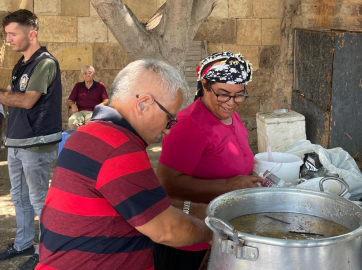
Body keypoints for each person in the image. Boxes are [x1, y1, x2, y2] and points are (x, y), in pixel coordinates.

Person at [35, 59, 212, 270]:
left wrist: (193, 209)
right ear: (143, 103)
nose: (168, 130)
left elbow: (138, 203)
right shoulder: (119, 147)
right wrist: (212, 232)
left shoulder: (86, 134)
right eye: (169, 119)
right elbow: (167, 230)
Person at [154, 52, 263, 270]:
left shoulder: (230, 115)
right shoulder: (189, 125)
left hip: (222, 231)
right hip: (190, 240)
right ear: (204, 85)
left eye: (239, 95)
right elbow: (167, 184)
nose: (231, 103)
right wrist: (231, 185)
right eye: (223, 94)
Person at [0, 9, 62, 270]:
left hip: (35, 143)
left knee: (39, 199)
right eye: (6, 35)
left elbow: (26, 100)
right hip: (16, 142)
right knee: (19, 196)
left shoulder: (45, 62)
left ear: (32, 33)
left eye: (13, 34)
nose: (8, 40)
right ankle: (23, 243)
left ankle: (47, 251)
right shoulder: (22, 63)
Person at [66, 65, 109, 129]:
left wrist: (100, 105)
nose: (87, 75)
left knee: (90, 126)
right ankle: (75, 138)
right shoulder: (78, 86)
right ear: (82, 75)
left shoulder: (100, 85)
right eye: (85, 73)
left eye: (89, 73)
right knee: (73, 123)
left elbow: (106, 100)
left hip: (93, 112)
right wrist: (73, 105)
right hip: (79, 112)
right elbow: (69, 101)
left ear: (93, 74)